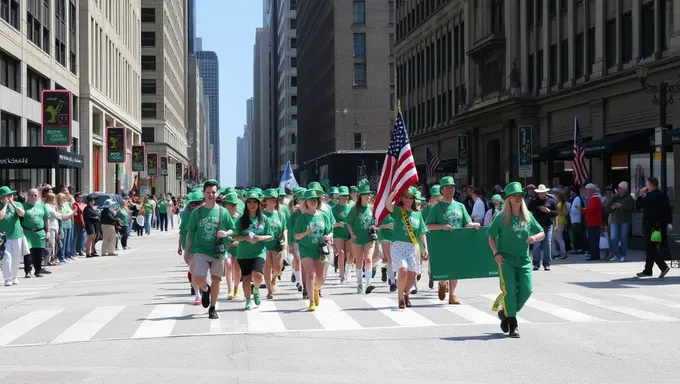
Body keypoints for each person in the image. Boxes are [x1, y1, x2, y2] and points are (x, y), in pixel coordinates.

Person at [488, 182, 545, 338]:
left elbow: (541, 232)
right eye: (516, 195)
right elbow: (491, 236)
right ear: (509, 199)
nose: (519, 198)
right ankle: (513, 325)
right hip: (506, 260)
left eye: (521, 195)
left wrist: (534, 237)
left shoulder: (527, 216)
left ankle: (505, 313)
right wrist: (496, 254)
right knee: (510, 292)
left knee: (527, 290)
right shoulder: (501, 217)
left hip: (524, 260)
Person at [425, 176, 480, 304]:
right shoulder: (437, 208)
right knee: (445, 269)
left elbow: (466, 222)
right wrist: (442, 227)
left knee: (455, 270)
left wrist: (473, 225)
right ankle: (442, 283)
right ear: (442, 190)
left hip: (458, 243)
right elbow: (428, 225)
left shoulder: (460, 206)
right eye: (448, 187)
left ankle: (452, 295)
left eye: (452, 187)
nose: (451, 190)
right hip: (443, 244)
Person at [185, 180, 236, 318]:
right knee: (199, 278)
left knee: (216, 279)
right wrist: (187, 250)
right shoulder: (197, 212)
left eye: (213, 192)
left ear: (217, 193)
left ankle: (212, 307)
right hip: (200, 250)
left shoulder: (223, 212)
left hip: (218, 252)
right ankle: (205, 289)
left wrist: (226, 233)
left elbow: (233, 229)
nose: (211, 194)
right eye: (208, 192)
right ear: (204, 194)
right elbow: (190, 232)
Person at [383, 186, 429, 309]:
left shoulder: (418, 215)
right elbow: (387, 204)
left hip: (412, 247)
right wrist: (394, 193)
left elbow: (421, 232)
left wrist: (425, 248)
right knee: (403, 270)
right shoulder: (398, 211)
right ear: (402, 198)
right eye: (406, 197)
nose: (409, 200)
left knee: (412, 274)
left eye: (411, 197)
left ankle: (406, 293)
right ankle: (400, 297)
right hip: (398, 245)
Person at [232, 191, 273, 310]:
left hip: (258, 252)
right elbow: (235, 236)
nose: (252, 204)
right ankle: (248, 300)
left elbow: (270, 235)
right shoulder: (241, 219)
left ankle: (255, 289)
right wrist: (245, 238)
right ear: (246, 204)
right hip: (243, 253)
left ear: (259, 204)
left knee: (258, 275)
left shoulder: (263, 219)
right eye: (249, 202)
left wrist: (260, 238)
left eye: (255, 202)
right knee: (245, 277)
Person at [293, 189, 332, 311]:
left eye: (315, 200)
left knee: (321, 279)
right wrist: (305, 233)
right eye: (310, 200)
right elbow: (296, 235)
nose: (313, 202)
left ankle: (316, 289)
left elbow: (330, 231)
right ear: (306, 203)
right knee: (310, 274)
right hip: (306, 249)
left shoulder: (323, 216)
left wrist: (328, 236)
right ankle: (311, 301)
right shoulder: (302, 218)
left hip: (320, 249)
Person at [635, 177, 672, 278]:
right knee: (651, 247)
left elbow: (638, 205)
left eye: (648, 184)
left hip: (651, 226)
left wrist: (640, 195)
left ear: (651, 185)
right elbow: (668, 209)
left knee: (650, 247)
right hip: (660, 225)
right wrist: (669, 223)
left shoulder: (651, 196)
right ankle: (648, 270)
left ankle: (663, 266)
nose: (646, 186)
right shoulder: (662, 195)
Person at [0, 186, 25, 285]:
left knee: (16, 257)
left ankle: (14, 277)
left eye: (11, 195)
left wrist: (13, 204)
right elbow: (1, 217)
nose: (10, 197)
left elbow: (22, 213)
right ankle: (7, 278)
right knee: (6, 257)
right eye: (8, 195)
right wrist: (5, 205)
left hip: (16, 234)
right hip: (3, 236)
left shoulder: (17, 203)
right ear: (2, 197)